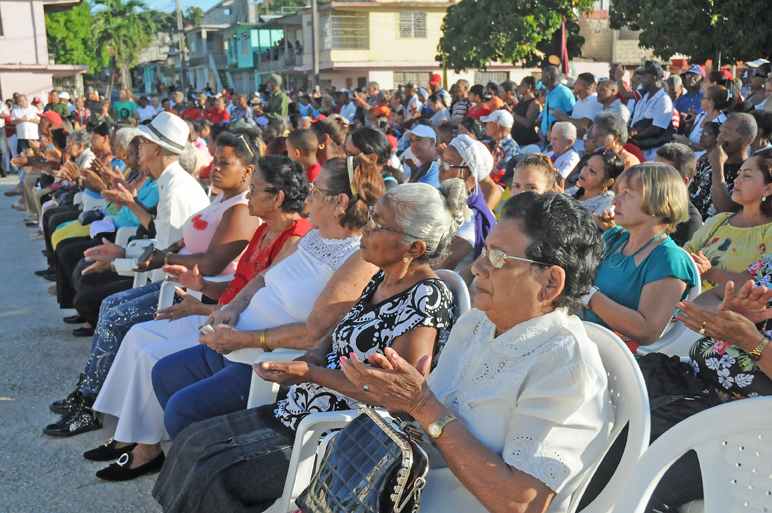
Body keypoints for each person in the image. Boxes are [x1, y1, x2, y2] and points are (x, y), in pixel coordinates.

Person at [152, 179, 464, 511]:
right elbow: (340, 331)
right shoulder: (383, 276)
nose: (366, 230)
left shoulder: (427, 297)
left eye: (378, 224)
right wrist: (308, 359)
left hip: (339, 435)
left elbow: (398, 398)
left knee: (213, 471)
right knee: (191, 442)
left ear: (413, 248)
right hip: (302, 409)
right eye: (371, 217)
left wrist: (310, 373)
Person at [326, 192, 613, 513]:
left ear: (549, 283)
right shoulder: (477, 322)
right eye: (485, 252)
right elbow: (424, 423)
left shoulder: (565, 366)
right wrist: (396, 396)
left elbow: (519, 503)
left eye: (499, 258)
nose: (477, 267)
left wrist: (422, 405)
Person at [85, 155, 311, 480]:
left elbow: (264, 302)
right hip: (223, 318)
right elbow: (239, 288)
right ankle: (130, 437)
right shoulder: (264, 230)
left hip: (240, 331)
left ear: (276, 198)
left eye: (256, 189)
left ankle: (149, 450)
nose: (248, 196)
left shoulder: (295, 238)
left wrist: (203, 308)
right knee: (139, 337)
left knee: (152, 356)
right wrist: (203, 287)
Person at [150, 155, 385, 440]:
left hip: (264, 361)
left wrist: (242, 339)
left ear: (340, 203)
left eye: (316, 191)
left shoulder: (358, 258)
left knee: (182, 410)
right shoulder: (313, 236)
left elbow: (313, 334)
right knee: (164, 373)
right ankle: (194, 453)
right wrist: (232, 309)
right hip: (237, 340)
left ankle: (203, 463)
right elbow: (262, 278)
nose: (307, 200)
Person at [42, 113, 213, 436]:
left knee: (115, 315)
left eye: (145, 142)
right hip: (168, 281)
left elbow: (167, 259)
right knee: (110, 307)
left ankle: (89, 404)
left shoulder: (177, 188)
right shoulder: (170, 183)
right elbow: (160, 245)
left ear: (159, 149)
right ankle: (89, 391)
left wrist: (120, 260)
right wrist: (121, 254)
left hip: (180, 292)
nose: (140, 146)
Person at [586, 163, 699, 347]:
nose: (615, 201)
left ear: (660, 202)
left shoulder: (669, 259)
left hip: (613, 356)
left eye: (627, 194)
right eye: (618, 192)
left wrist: (588, 296)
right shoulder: (614, 237)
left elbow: (646, 331)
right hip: (579, 336)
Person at [683, 149, 772, 291]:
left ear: (768, 189)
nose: (737, 180)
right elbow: (686, 253)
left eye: (747, 175)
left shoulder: (769, 233)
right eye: (739, 174)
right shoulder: (719, 221)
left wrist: (711, 273)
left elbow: (764, 286)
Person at [438, 135, 496, 281]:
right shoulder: (445, 201)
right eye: (441, 161)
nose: (440, 168)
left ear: (470, 175)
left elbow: (441, 265)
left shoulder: (472, 217)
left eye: (447, 164)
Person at [689, 113, 757, 220]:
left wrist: (717, 167)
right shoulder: (707, 160)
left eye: (727, 134)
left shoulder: (748, 173)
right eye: (720, 132)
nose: (719, 138)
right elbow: (691, 194)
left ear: (746, 139)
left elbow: (725, 211)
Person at [655, 143, 704, 246]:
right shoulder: (641, 201)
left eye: (661, 173)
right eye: (653, 169)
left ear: (682, 181)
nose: (653, 177)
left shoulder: (690, 221)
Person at [629, 63, 674, 159]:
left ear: (653, 78)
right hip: (638, 149)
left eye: (644, 77)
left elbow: (657, 129)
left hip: (652, 153)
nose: (641, 80)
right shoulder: (643, 98)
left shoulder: (663, 99)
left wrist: (634, 136)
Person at [675, 85, 731, 158]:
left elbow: (713, 149)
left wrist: (688, 143)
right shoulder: (700, 116)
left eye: (703, 98)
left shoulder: (722, 122)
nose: (700, 100)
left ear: (710, 102)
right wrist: (688, 126)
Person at [553, 73, 603, 153]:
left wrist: (564, 117)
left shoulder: (594, 100)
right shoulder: (580, 101)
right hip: (574, 146)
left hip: (583, 148)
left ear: (582, 85)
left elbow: (584, 124)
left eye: (576, 83)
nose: (574, 85)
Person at [566, 148, 624, 216]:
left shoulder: (608, 202)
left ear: (608, 182)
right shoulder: (572, 191)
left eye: (592, 171)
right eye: (586, 165)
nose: (583, 171)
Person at [481, 109, 519, 186]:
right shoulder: (490, 143)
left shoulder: (511, 148)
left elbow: (505, 178)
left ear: (497, 126)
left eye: (488, 123)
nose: (486, 126)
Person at [540, 66, 576, 138]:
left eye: (542, 76)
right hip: (547, 136)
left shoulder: (563, 92)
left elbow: (573, 114)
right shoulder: (549, 92)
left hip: (559, 138)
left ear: (548, 77)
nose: (541, 79)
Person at [510, 76, 541, 146]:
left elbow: (528, 123)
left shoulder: (534, 103)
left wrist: (512, 113)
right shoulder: (522, 101)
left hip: (527, 142)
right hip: (517, 141)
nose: (519, 87)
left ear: (529, 87)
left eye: (522, 85)